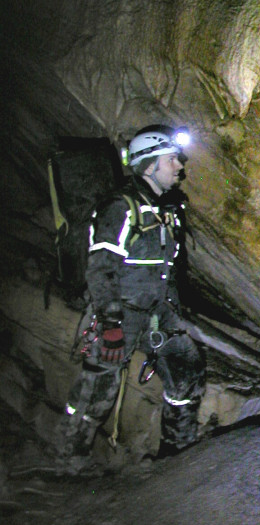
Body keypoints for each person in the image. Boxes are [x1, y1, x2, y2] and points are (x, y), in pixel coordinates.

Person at [56, 125, 205, 468]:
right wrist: (109, 323)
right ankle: (69, 462)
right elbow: (101, 267)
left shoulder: (165, 210)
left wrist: (172, 313)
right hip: (120, 312)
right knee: (97, 392)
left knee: (187, 369)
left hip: (158, 312)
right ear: (150, 164)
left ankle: (177, 453)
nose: (179, 167)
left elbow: (167, 271)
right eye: (172, 160)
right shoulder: (119, 208)